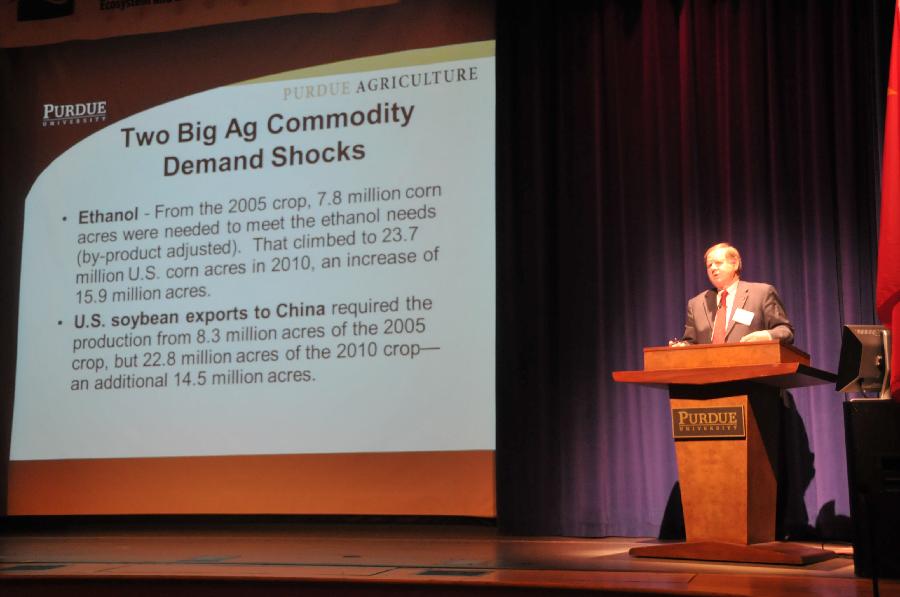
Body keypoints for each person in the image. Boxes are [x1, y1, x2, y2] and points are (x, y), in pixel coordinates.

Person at [671, 242, 794, 346]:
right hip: (710, 372)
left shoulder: (761, 293)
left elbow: (786, 332)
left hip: (752, 369)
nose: (713, 268)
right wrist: (682, 347)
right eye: (709, 265)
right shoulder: (696, 304)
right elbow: (691, 343)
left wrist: (767, 335)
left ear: (735, 264)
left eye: (718, 263)